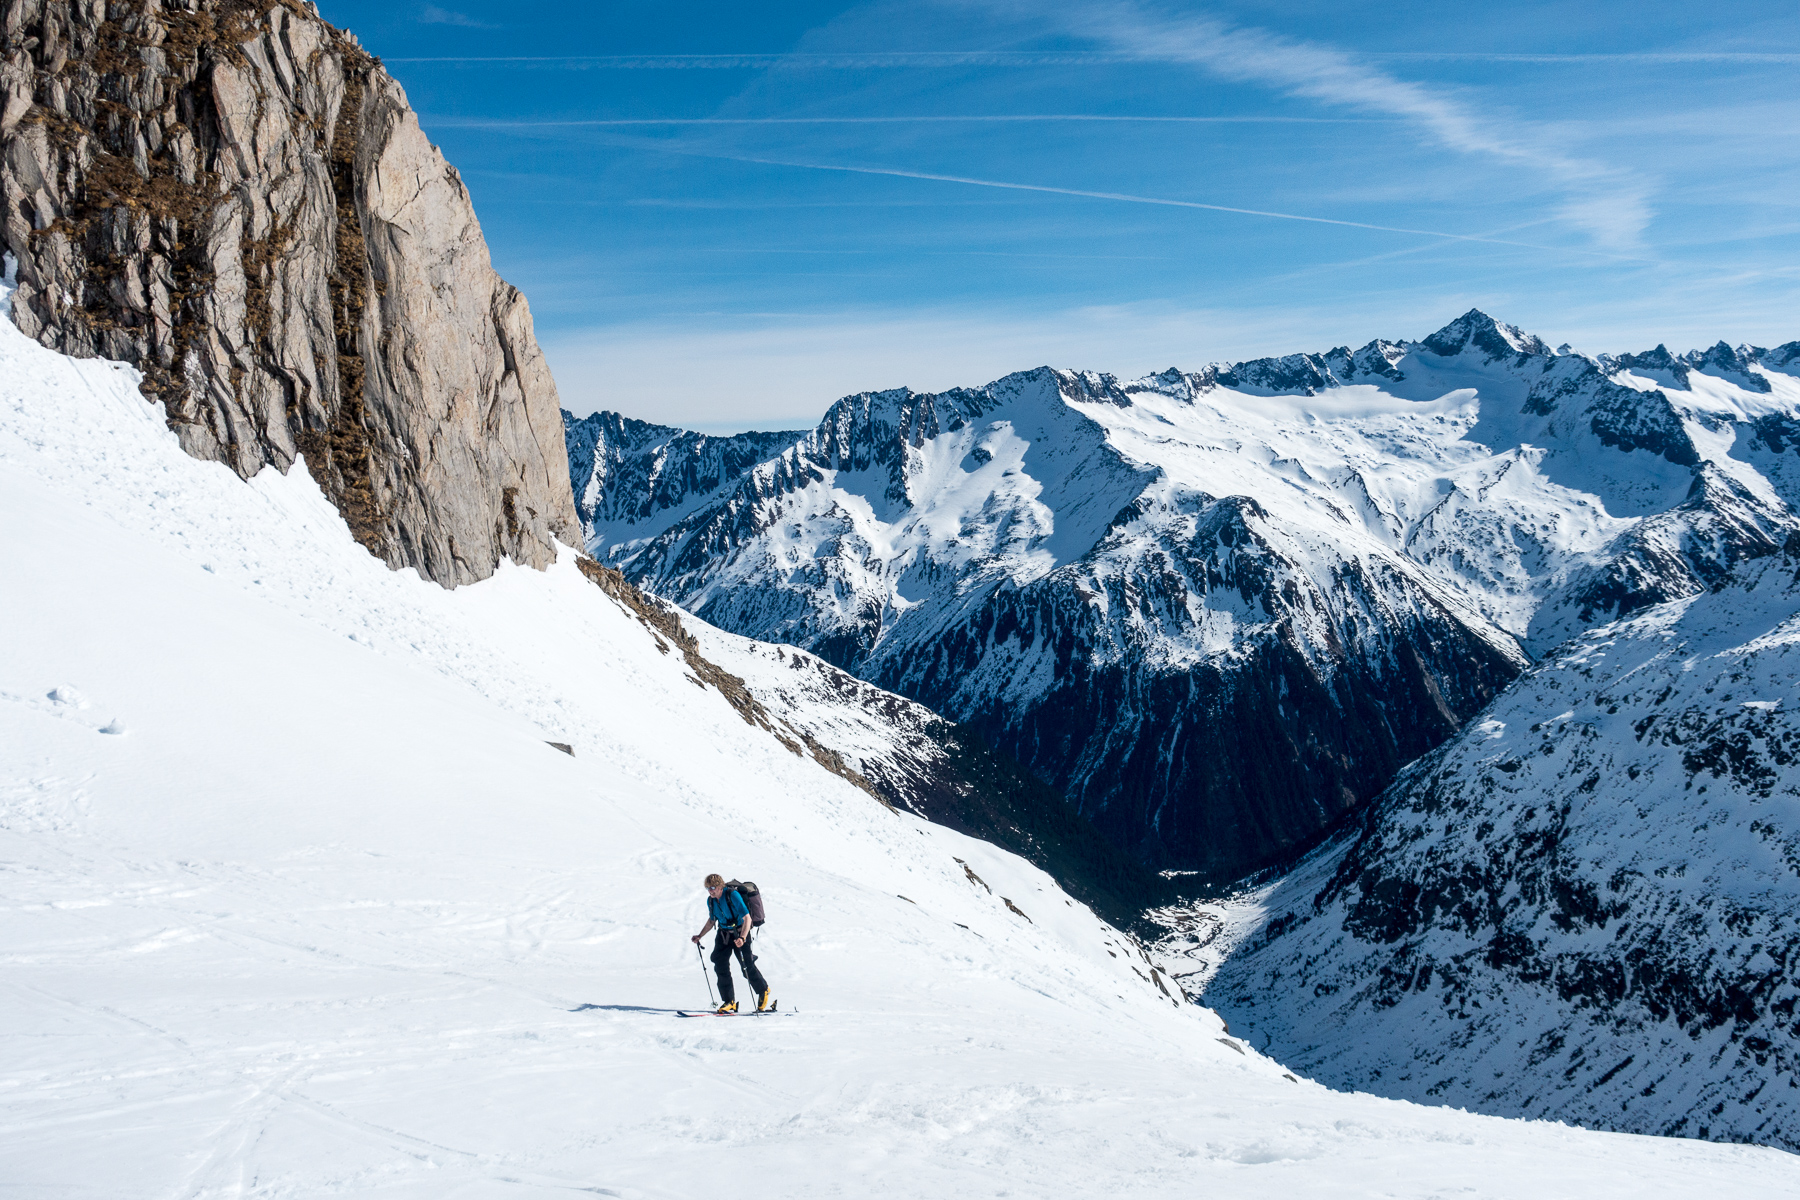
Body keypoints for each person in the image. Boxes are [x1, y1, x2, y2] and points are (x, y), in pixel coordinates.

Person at [691, 873, 772, 1013]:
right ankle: (729, 1002)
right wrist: (700, 935)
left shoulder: (732, 895)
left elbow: (747, 918)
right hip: (723, 934)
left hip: (739, 933)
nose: (710, 891)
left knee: (747, 966)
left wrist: (742, 938)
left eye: (713, 887)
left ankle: (763, 990)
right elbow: (711, 921)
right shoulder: (710, 901)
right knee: (720, 964)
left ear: (720, 886)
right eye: (708, 888)